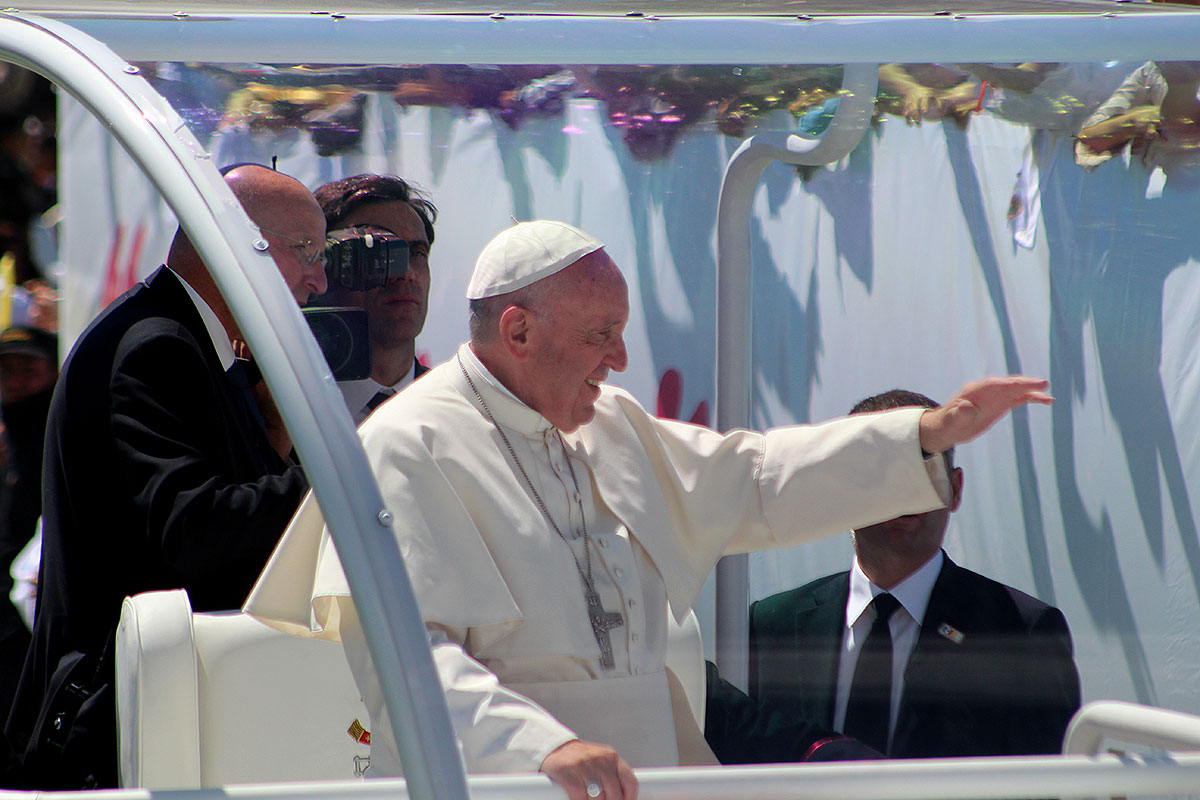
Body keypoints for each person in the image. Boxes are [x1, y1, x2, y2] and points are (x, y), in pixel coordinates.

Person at [245, 220, 1052, 800]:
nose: (621, 359)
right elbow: (406, 658)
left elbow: (758, 480)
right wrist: (542, 747)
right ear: (518, 330)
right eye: (602, 334)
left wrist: (923, 436)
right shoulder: (406, 444)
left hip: (643, 776)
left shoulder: (610, 425)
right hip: (503, 783)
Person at [4, 164, 325, 789]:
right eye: (306, 251)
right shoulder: (159, 345)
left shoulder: (185, 339)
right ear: (232, 242)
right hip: (132, 733)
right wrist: (342, 477)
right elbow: (194, 531)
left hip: (169, 715)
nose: (318, 276)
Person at [748, 389, 1081, 759]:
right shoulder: (771, 626)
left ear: (954, 489)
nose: (904, 490)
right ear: (840, 489)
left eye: (921, 467)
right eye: (880, 470)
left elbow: (1048, 788)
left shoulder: (1020, 634)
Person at [313, 174, 436, 423]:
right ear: (322, 263)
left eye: (417, 253)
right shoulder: (281, 409)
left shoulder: (469, 413)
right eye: (379, 251)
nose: (405, 273)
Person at [0, 326, 57, 760]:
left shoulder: (58, 435)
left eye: (28, 370)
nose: (16, 382)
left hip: (36, 621)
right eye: (6, 371)